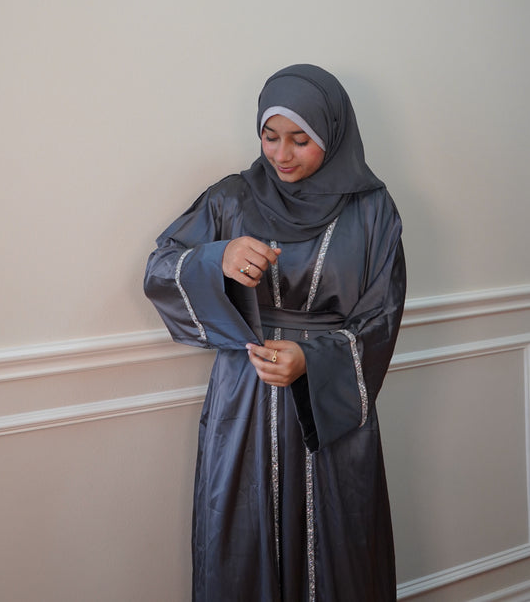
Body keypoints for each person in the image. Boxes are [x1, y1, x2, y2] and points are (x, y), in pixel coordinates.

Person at [144, 64, 406, 602]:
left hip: (331, 405)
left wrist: (312, 361)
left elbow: (382, 315)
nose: (282, 155)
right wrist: (218, 258)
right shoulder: (231, 199)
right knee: (242, 535)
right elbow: (160, 270)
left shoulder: (372, 210)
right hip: (244, 396)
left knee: (339, 545)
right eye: (270, 136)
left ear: (332, 134)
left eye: (300, 140)